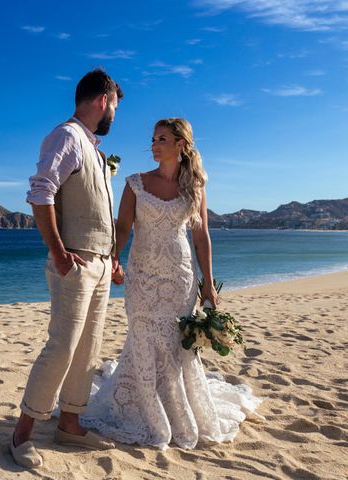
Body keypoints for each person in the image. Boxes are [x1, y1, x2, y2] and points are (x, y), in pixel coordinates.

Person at [80, 118, 263, 449]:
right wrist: (114, 258)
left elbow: (201, 236)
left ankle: (176, 408)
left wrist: (208, 283)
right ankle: (140, 409)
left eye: (161, 139)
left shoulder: (194, 186)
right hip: (142, 274)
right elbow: (122, 227)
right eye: (152, 139)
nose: (154, 145)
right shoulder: (135, 183)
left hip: (179, 276)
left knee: (173, 342)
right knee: (142, 334)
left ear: (180, 144)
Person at [11, 69, 124, 468]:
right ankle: (22, 433)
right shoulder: (67, 136)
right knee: (61, 346)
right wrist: (58, 252)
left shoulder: (92, 148)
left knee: (89, 348)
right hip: (73, 262)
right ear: (103, 100)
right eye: (115, 107)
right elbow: (41, 191)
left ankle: (70, 424)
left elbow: (96, 210)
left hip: (98, 263)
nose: (115, 116)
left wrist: (112, 257)